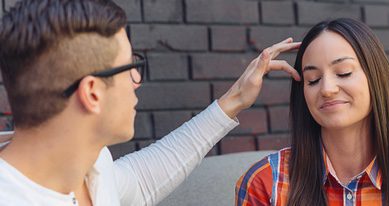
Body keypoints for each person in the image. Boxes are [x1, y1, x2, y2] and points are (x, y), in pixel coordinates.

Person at [0, 0, 301, 205]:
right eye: (130, 67)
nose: (137, 80)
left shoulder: (93, 167)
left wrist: (235, 99)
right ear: (92, 93)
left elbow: (143, 179)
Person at [235, 18, 389, 206]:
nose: (327, 89)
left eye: (344, 72)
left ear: (376, 79)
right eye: (313, 80)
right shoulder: (266, 181)